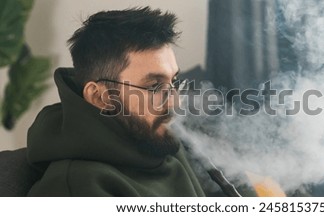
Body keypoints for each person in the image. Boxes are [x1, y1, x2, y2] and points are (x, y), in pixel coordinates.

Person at [26, 7, 207, 196]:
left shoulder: (160, 142)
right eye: (154, 86)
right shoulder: (76, 188)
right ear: (99, 97)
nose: (174, 102)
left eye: (174, 82)